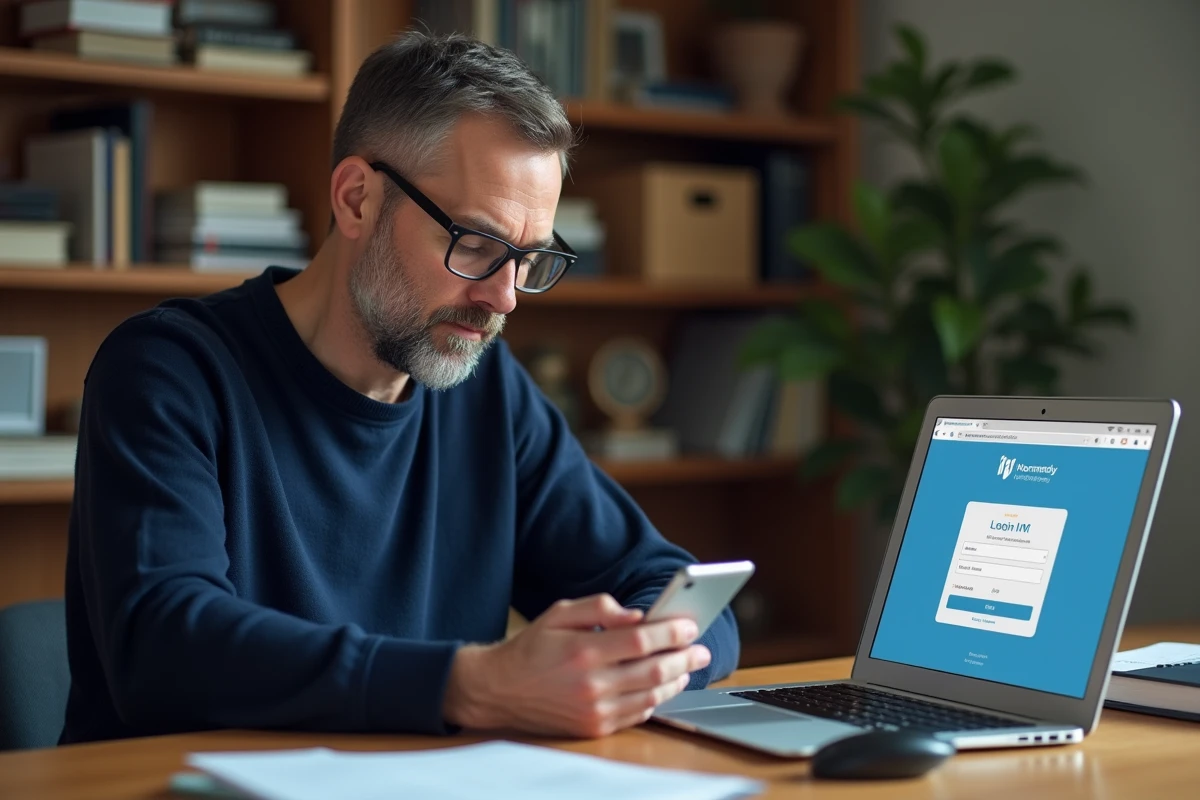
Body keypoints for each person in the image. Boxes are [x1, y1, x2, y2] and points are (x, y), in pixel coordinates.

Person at [60, 31, 739, 745]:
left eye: (530, 259)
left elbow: (672, 585)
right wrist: (473, 685)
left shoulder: (487, 393)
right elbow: (164, 649)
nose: (505, 299)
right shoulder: (168, 371)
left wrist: (641, 663)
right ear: (356, 199)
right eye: (475, 245)